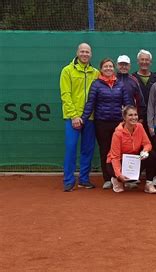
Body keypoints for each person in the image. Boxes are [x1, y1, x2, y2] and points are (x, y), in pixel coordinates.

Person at [81, 58, 133, 189]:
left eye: (110, 66)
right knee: (105, 150)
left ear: (114, 68)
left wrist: (131, 119)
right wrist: (83, 118)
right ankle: (108, 178)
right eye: (105, 66)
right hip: (101, 123)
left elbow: (127, 104)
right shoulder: (96, 84)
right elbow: (90, 103)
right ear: (101, 69)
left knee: (119, 151)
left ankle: (121, 177)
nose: (108, 68)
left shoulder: (120, 84)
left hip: (117, 123)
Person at [59, 43, 99, 192]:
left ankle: (83, 179)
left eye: (87, 52)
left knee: (88, 149)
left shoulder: (95, 73)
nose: (84, 54)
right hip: (72, 118)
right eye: (82, 51)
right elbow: (65, 95)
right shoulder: (67, 71)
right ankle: (69, 180)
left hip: (90, 117)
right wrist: (74, 115)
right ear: (77, 53)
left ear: (91, 54)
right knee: (70, 148)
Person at [106, 106, 156, 193]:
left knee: (151, 154)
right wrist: (119, 175)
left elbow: (147, 144)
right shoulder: (117, 134)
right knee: (116, 172)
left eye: (135, 115)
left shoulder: (140, 127)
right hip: (117, 162)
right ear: (124, 117)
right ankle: (116, 179)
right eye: (130, 115)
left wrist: (144, 150)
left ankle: (149, 184)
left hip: (134, 161)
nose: (134, 118)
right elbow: (115, 157)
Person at [132, 49, 156, 138]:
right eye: (142, 59)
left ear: (150, 62)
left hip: (154, 120)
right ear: (138, 61)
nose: (144, 62)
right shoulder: (132, 78)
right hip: (137, 119)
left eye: (147, 60)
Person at [116, 55, 146, 122]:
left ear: (129, 66)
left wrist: (140, 116)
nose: (123, 67)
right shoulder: (112, 79)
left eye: (126, 65)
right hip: (114, 117)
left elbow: (140, 100)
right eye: (121, 64)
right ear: (117, 65)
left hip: (130, 118)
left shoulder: (134, 80)